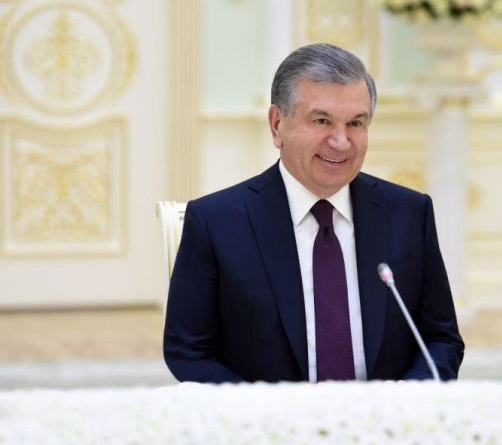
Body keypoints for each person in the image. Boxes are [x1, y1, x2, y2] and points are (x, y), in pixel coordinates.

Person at [163, 43, 464, 384]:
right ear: (277, 125)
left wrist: (403, 401)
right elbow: (189, 352)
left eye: (356, 123)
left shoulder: (409, 213)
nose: (341, 141)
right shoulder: (217, 222)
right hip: (266, 414)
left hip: (386, 412)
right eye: (322, 121)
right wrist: (261, 408)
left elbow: (440, 340)